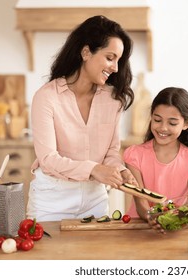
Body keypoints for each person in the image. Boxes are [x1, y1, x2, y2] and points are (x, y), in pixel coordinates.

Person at [27, 15, 138, 222]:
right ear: (86, 52)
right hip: (52, 198)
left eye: (118, 60)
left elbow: (111, 153)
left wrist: (119, 170)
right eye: (110, 57)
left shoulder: (113, 100)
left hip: (94, 198)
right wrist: (94, 169)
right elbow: (48, 159)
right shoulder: (47, 97)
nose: (115, 67)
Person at [123, 87, 188, 232]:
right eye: (157, 120)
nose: (163, 128)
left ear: (186, 124)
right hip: (139, 229)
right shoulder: (134, 155)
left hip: (176, 230)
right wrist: (151, 217)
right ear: (151, 117)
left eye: (172, 123)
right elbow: (141, 203)